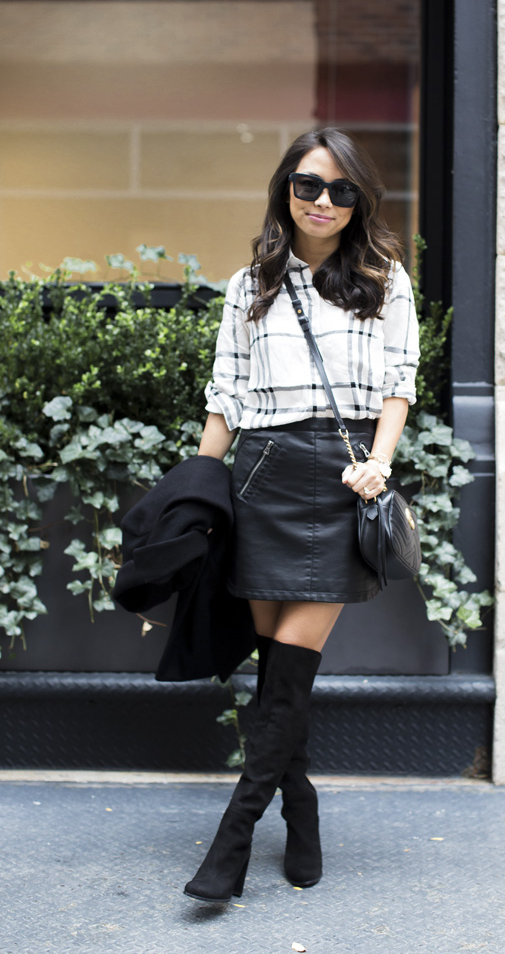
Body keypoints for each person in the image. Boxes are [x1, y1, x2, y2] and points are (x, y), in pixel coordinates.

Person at [184, 127, 419, 904]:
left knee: (288, 670)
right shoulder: (247, 285)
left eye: (341, 190)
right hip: (260, 478)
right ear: (285, 188)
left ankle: (234, 838)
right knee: (275, 672)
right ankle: (302, 803)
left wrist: (379, 462)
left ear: (360, 201)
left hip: (340, 483)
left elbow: (399, 384)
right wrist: (198, 492)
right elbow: (225, 394)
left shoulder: (385, 279)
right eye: (308, 185)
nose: (323, 202)